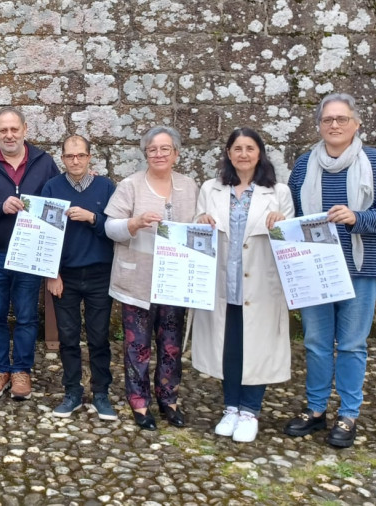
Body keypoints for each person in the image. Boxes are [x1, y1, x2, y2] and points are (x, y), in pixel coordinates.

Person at [283, 93, 376, 448]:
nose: (334, 125)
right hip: (314, 268)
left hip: (360, 268)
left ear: (356, 123)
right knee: (317, 343)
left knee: (351, 344)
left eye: (341, 119)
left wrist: (356, 217)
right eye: (327, 120)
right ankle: (316, 410)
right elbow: (292, 213)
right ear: (319, 125)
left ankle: (348, 414)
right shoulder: (304, 164)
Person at [192, 128, 294, 442]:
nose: (244, 154)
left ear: (260, 153)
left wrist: (282, 224)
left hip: (261, 285)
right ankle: (231, 408)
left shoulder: (278, 192)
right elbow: (199, 225)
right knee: (230, 347)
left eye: (250, 148)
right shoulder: (212, 188)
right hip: (225, 282)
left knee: (257, 348)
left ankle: (250, 411)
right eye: (237, 148)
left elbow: (290, 243)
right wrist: (200, 221)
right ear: (228, 153)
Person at [104, 125, 198, 430]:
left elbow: (200, 229)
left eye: (165, 149)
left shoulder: (189, 187)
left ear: (176, 154)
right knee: (138, 345)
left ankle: (169, 397)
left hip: (175, 280)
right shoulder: (130, 185)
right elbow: (110, 228)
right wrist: (134, 223)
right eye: (152, 150)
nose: (158, 154)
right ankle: (139, 401)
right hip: (138, 280)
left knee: (171, 344)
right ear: (146, 154)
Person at [0, 107, 60, 401]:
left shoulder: (44, 163)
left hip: (29, 254)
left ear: (25, 129)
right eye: (3, 130)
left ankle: (21, 370)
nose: (9, 135)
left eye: (14, 129)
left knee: (27, 316)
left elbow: (59, 200)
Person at [42, 135, 116, 420]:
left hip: (99, 273)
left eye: (80, 156)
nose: (75, 161)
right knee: (68, 337)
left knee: (99, 338)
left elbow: (116, 228)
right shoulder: (52, 187)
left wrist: (93, 218)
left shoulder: (106, 187)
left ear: (89, 157)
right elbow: (46, 233)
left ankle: (101, 393)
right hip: (66, 275)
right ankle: (72, 391)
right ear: (63, 158)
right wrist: (52, 273)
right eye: (70, 156)